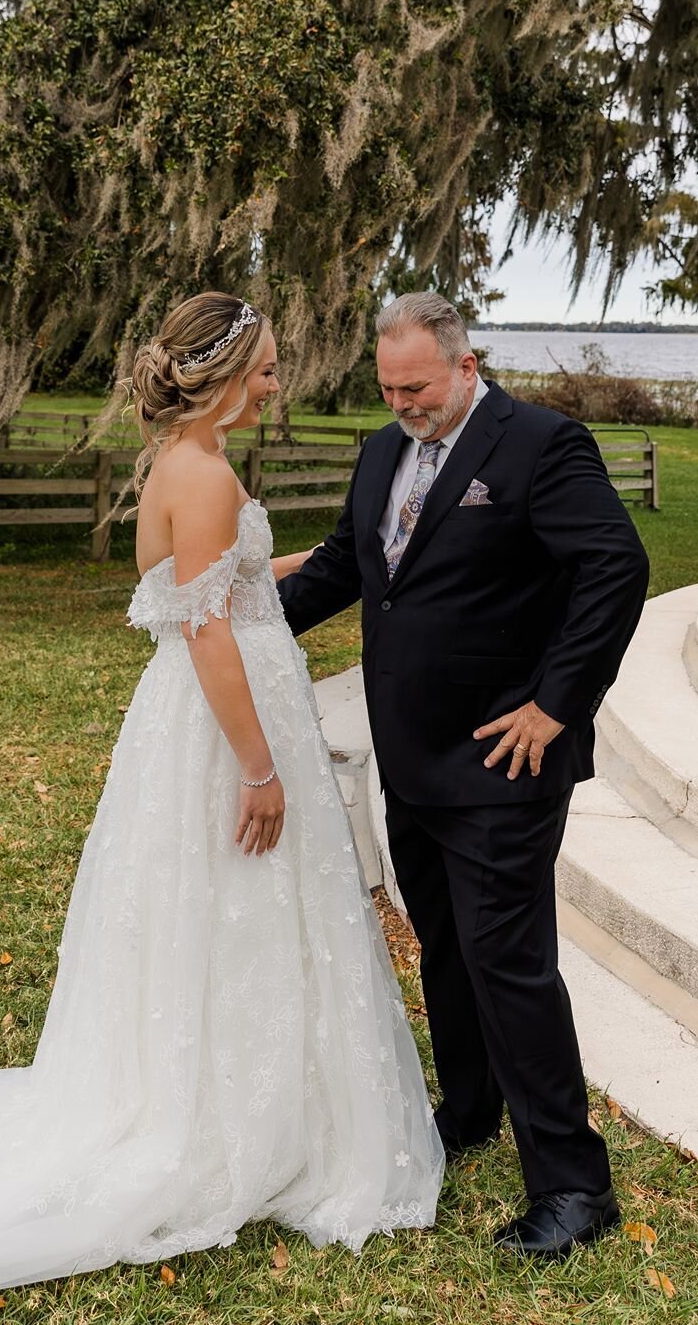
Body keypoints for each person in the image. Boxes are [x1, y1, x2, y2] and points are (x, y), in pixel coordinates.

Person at [0, 293, 442, 1325]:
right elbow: (210, 633)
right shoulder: (203, 473)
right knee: (238, 892)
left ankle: (238, 1095)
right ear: (219, 375)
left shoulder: (181, 460)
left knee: (217, 907)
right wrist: (260, 766)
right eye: (262, 370)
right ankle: (221, 1122)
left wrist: (353, 561)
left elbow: (231, 584)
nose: (274, 386)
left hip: (203, 712)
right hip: (223, 725)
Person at [277, 293, 650, 1260]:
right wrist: (239, 635)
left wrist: (557, 704)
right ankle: (471, 1110)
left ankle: (572, 1185)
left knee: (507, 963)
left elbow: (614, 566)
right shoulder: (378, 452)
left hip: (502, 758)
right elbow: (347, 570)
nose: (403, 403)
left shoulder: (540, 445)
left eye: (418, 386)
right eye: (388, 387)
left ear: (466, 363)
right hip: (409, 756)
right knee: (441, 945)